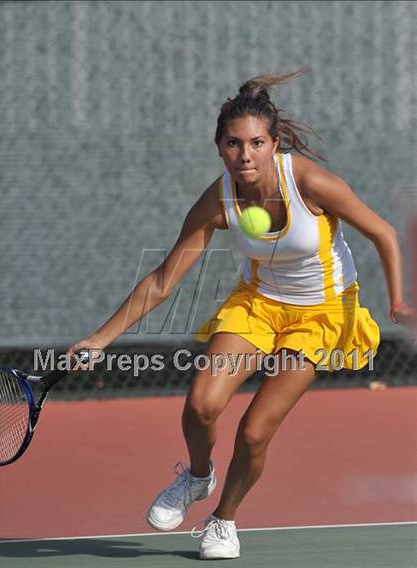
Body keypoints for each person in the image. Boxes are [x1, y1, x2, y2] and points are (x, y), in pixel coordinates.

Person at [67, 69, 416, 560]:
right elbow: (164, 280)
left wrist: (397, 301)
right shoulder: (219, 198)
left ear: (274, 144)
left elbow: (381, 231)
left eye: (255, 143)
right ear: (219, 147)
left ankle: (224, 520)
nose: (244, 155)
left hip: (323, 313)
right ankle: (197, 476)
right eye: (233, 144)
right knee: (200, 405)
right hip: (258, 304)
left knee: (254, 431)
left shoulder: (310, 182)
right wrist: (100, 339)